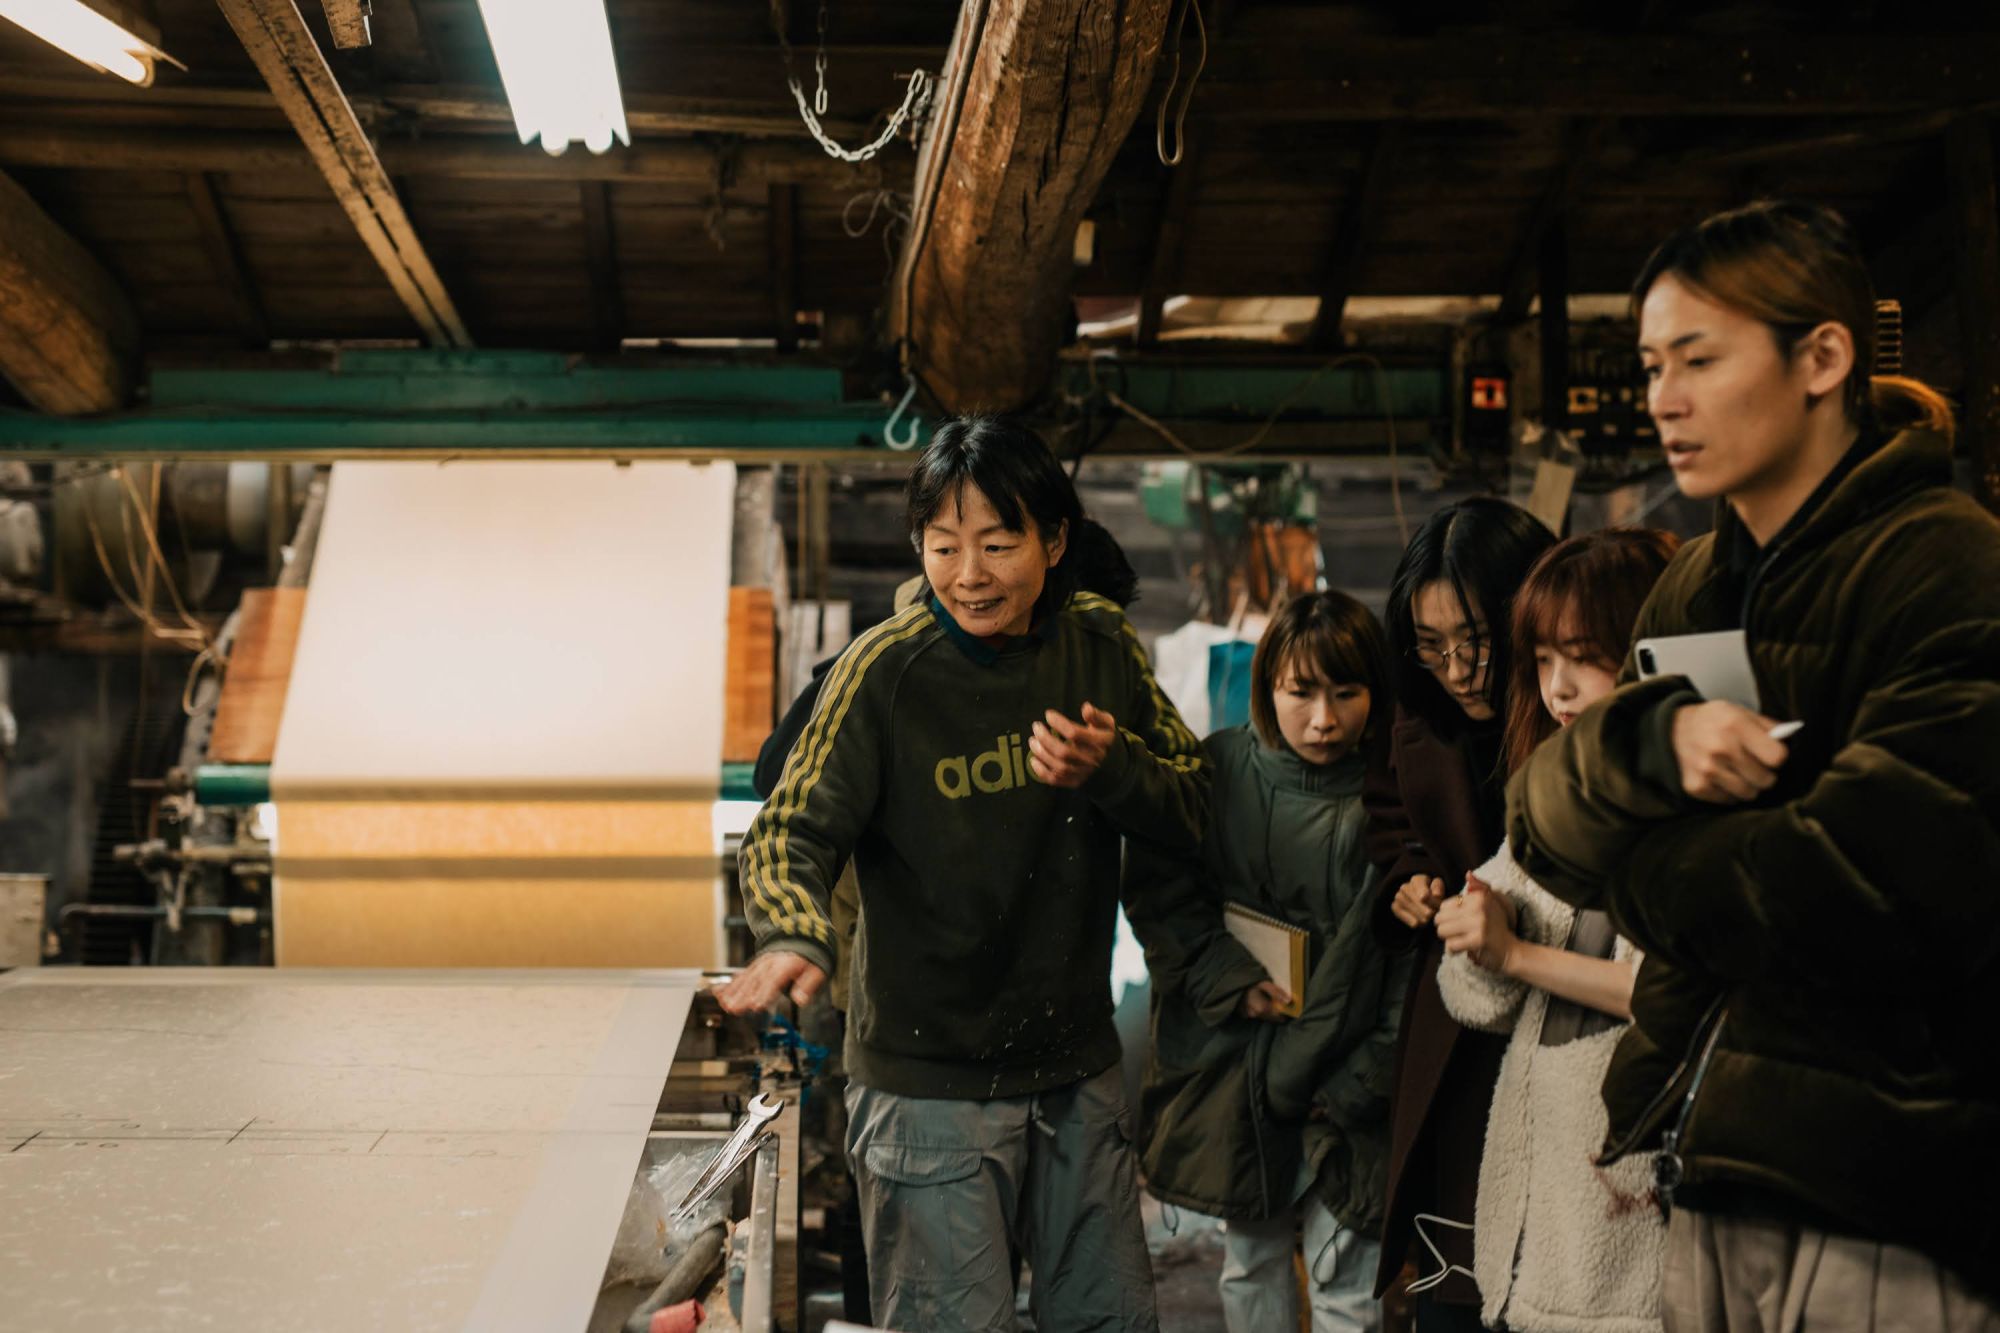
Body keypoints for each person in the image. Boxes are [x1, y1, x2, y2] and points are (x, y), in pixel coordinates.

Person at [1507, 199, 2000, 1331]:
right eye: (1648, 365)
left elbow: (1882, 899)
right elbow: (1541, 831)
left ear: (1820, 357)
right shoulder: (1695, 584)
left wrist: (1643, 861)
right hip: (1712, 1154)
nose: (1662, 398)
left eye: (1698, 358)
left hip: (1891, 1188)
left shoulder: (1945, 566)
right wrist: (1645, 744)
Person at [718, 417, 1210, 1333]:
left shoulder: (1098, 648)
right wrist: (792, 927)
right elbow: (788, 827)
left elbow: (1195, 801)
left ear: (1054, 541)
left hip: (1075, 1069)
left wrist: (1114, 770)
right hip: (925, 1089)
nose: (969, 574)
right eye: (944, 546)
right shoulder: (880, 669)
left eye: (997, 543)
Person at [1132, 591, 1411, 1333]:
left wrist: (1357, 1084)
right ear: (1267, 687)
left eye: (1347, 693)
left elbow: (1413, 972)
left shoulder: (1397, 802)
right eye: (1301, 692)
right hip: (1241, 1073)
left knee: (1347, 1283)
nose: (1324, 719)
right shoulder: (1218, 770)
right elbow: (1164, 892)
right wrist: (1226, 976)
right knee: (1250, 1265)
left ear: (1376, 695)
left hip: (1353, 1091)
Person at [1431, 528, 1679, 1333]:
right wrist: (1475, 934)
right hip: (1540, 1223)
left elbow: (1674, 993)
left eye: (1583, 655)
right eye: (1542, 659)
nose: (1559, 686)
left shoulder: (1696, 810)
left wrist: (1513, 950)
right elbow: (1472, 999)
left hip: (1634, 1214)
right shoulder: (1550, 802)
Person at [1362, 495, 1555, 1330]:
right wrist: (1406, 880)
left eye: (1475, 639)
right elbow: (1389, 816)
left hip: (1563, 1020)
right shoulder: (1417, 714)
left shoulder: (1573, 717)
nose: (1459, 668)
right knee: (1455, 1275)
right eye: (1432, 644)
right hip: (1461, 1036)